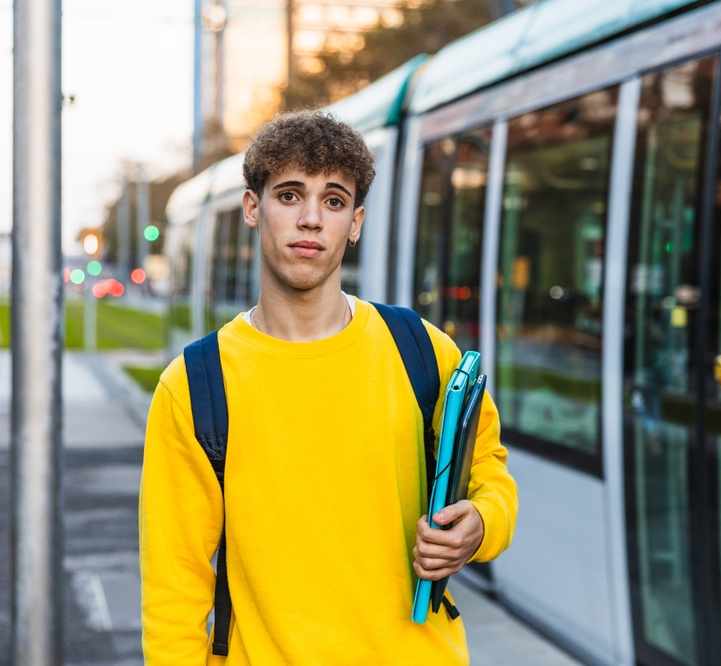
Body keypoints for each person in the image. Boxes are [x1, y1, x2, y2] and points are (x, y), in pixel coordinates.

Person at [139, 111, 518, 665]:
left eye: (334, 201)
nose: (311, 219)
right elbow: (174, 591)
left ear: (356, 222)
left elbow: (490, 471)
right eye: (290, 196)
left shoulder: (422, 348)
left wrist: (481, 524)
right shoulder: (196, 385)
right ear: (253, 208)